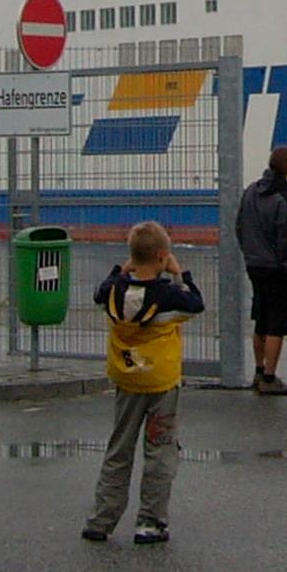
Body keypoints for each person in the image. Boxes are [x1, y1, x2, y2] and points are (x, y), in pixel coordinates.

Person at [81, 221, 204, 546]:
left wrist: (122, 270)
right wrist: (181, 274)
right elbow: (196, 303)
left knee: (119, 448)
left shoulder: (113, 294)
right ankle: (150, 522)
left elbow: (101, 290)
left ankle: (101, 519)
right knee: (160, 450)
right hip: (161, 382)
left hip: (127, 379)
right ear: (163, 256)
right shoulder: (168, 296)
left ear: (132, 257)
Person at [235, 146, 287, 395]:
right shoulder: (283, 199)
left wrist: (250, 253)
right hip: (277, 268)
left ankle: (258, 369)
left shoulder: (250, 191)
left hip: (255, 265)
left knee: (261, 317)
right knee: (277, 322)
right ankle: (269, 376)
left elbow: (239, 226)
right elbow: (286, 237)